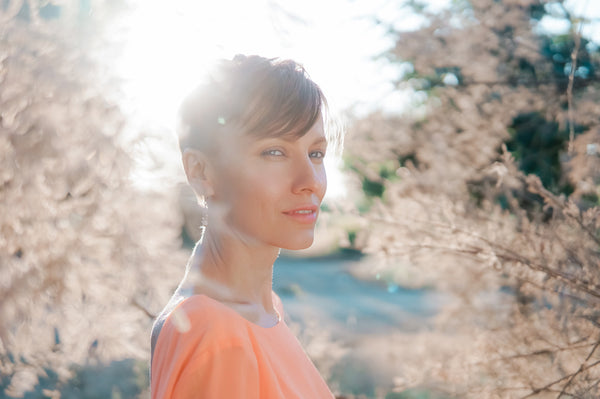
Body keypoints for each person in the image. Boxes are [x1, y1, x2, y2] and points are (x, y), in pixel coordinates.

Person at [150, 54, 339, 398]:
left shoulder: (264, 311)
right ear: (200, 171)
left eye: (315, 153)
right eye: (274, 153)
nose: (309, 181)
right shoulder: (215, 333)